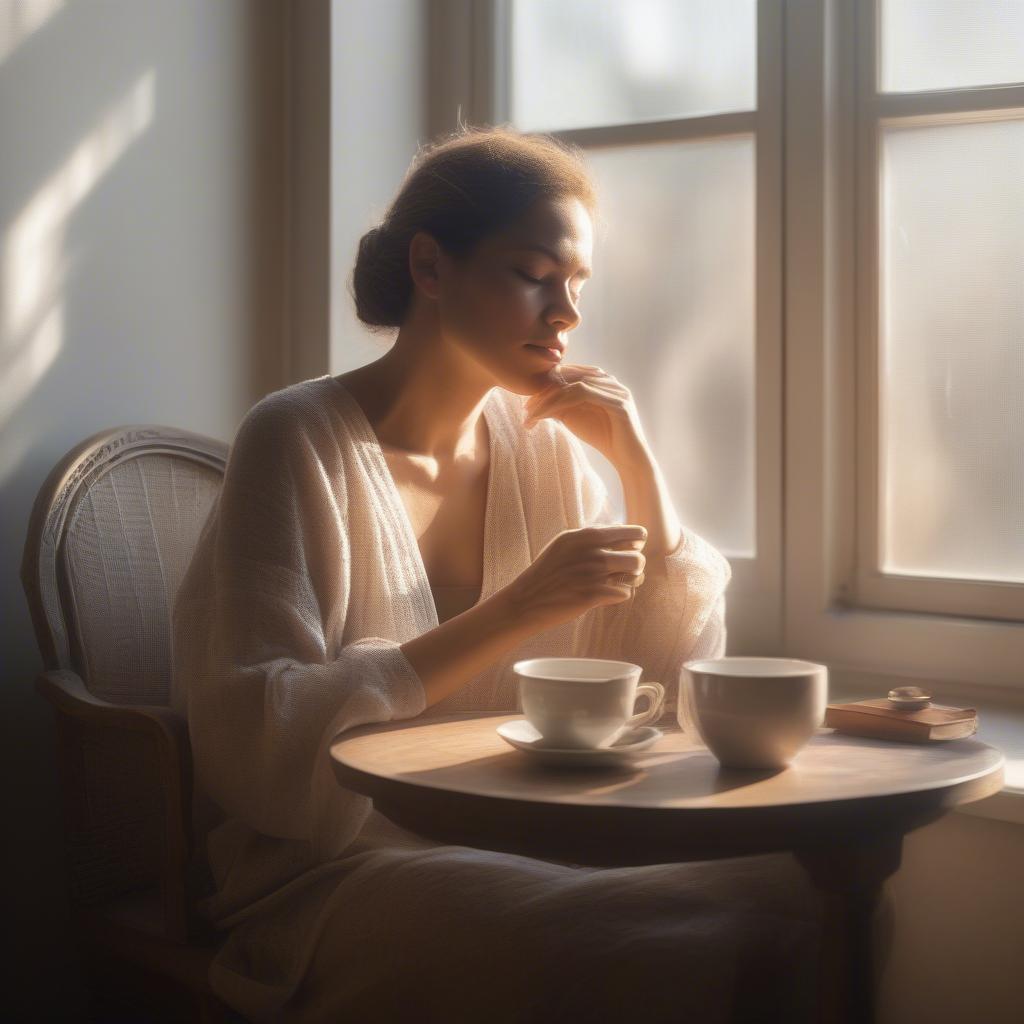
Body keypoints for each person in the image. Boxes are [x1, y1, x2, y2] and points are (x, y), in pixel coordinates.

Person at [171, 124, 822, 1023]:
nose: (567, 315)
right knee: (626, 938)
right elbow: (256, 737)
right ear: (431, 267)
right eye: (534, 275)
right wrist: (516, 609)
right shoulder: (294, 440)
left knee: (785, 888)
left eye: (577, 285)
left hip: (525, 829)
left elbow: (667, 686)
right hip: (340, 863)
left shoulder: (545, 449)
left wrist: (640, 469)